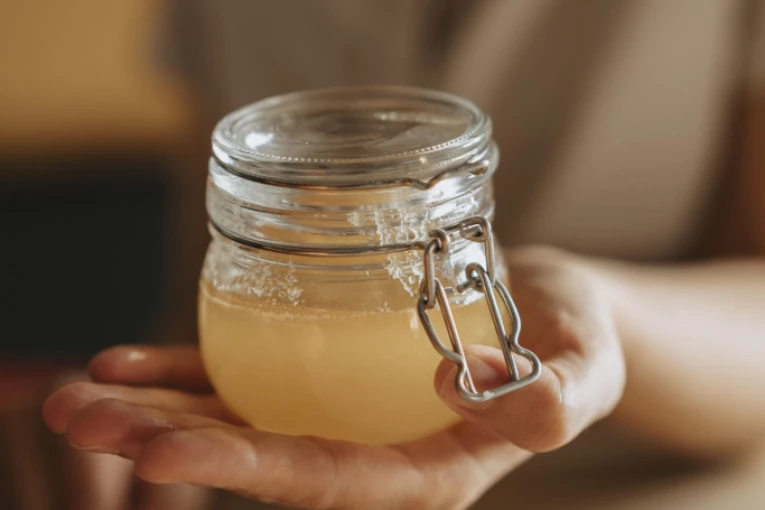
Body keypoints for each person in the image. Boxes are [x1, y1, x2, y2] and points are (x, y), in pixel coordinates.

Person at [43, 1, 765, 508]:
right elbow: (221, 242)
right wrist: (129, 451)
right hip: (269, 488)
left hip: (651, 488)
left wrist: (605, 313)